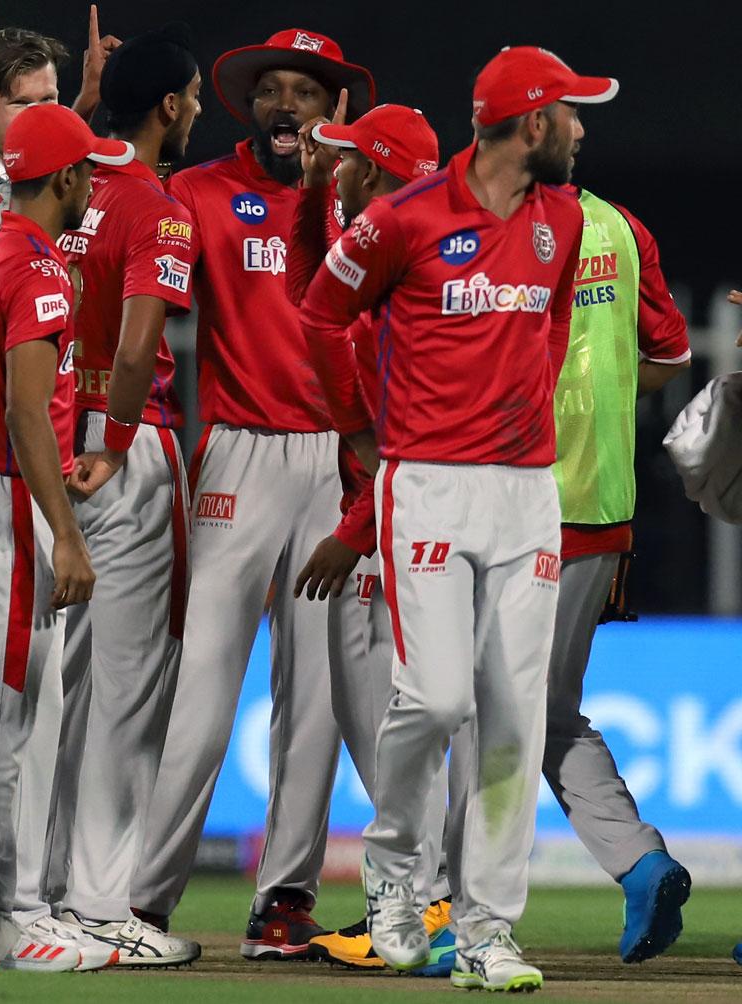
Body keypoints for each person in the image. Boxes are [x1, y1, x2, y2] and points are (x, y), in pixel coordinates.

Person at [298, 45, 614, 991]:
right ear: (530, 124)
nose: (582, 130)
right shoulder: (406, 217)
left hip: (526, 494)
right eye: (571, 113)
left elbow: (551, 319)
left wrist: (530, 404)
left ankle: (486, 929)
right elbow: (321, 317)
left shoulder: (563, 218)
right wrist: (361, 427)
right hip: (425, 482)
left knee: (515, 717)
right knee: (436, 699)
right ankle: (397, 875)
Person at [130, 27, 377, 960]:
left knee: (316, 695)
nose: (287, 106)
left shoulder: (366, 197)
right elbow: (121, 245)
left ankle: (283, 905)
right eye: (271, 90)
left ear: (333, 110)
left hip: (337, 462)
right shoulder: (197, 193)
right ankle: (144, 901)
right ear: (250, 106)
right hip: (237, 455)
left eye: (305, 93)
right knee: (203, 688)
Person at [0, 102, 133, 972]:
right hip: (3, 493)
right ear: (67, 180)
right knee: (6, 713)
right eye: (89, 169)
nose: (95, 182)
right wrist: (67, 534)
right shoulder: (42, 269)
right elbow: (26, 411)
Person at [284, 101, 463, 977]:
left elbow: (403, 436)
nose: (337, 165)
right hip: (397, 516)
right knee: (395, 723)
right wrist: (319, 196)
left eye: (350, 160)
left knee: (393, 723)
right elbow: (314, 291)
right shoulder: (400, 255)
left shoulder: (402, 280)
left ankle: (425, 902)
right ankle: (425, 899)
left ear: (380, 172)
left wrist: (354, 533)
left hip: (395, 528)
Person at [38, 23, 201, 967]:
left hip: (43, 452)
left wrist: (80, 103)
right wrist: (121, 437)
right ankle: (103, 908)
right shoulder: (156, 205)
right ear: (171, 106)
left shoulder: (59, 184)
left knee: (54, 689)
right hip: (121, 460)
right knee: (131, 693)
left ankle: (43, 899)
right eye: (190, 102)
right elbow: (143, 342)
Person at [543, 180, 691, 962]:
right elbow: (669, 355)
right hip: (602, 504)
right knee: (548, 712)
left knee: (468, 708)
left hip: (507, 495)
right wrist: (599, 399)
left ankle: (435, 907)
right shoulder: (620, 224)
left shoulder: (477, 215)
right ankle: (641, 864)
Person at [0, 9, 120, 220]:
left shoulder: (40, 134)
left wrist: (91, 92)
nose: (39, 116)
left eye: (47, 99)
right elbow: (25, 246)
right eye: (21, 103)